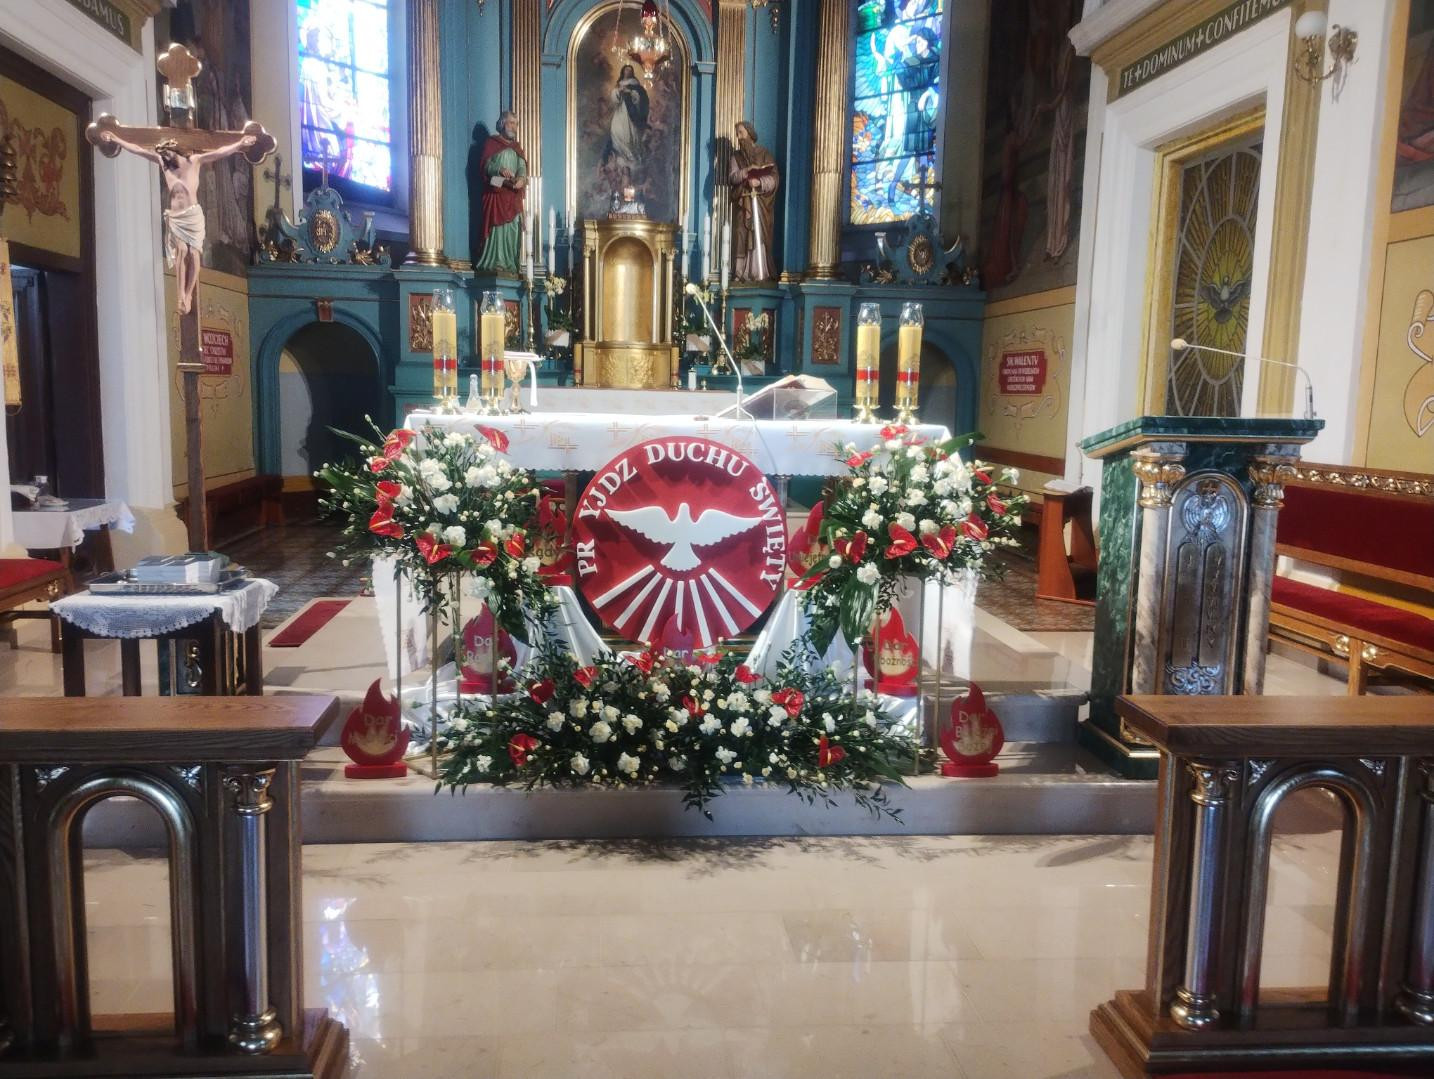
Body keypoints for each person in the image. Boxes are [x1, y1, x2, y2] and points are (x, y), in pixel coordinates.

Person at [97, 129, 257, 315]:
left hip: (192, 215)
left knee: (194, 253)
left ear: (176, 150)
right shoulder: (164, 163)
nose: (165, 157)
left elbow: (220, 152)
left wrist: (240, 144)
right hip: (176, 216)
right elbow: (138, 149)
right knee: (181, 250)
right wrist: (116, 138)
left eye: (167, 153)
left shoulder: (194, 161)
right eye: (163, 154)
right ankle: (180, 294)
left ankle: (189, 293)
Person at [476, 111, 528, 273]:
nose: (514, 127)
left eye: (516, 124)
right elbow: (485, 166)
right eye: (511, 123)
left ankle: (510, 264)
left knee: (513, 229)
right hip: (496, 191)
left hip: (512, 195)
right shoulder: (491, 143)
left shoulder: (517, 148)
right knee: (497, 229)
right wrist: (499, 169)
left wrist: (521, 179)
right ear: (502, 124)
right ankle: (495, 262)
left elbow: (522, 167)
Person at [727, 122, 779, 283]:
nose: (738, 137)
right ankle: (740, 272)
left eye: (741, 133)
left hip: (760, 203)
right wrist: (745, 172)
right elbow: (732, 177)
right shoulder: (736, 157)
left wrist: (759, 182)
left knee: (759, 233)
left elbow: (774, 178)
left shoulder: (764, 153)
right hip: (743, 201)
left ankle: (759, 271)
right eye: (737, 133)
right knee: (740, 233)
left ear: (749, 133)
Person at [606, 65, 649, 173]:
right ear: (623, 71)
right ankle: (621, 155)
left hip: (630, 113)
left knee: (630, 134)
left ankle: (631, 157)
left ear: (632, 72)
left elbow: (639, 98)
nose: (628, 72)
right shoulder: (619, 84)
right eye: (626, 70)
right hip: (620, 111)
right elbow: (614, 99)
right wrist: (618, 91)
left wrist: (630, 92)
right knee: (616, 130)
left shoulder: (635, 84)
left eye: (630, 70)